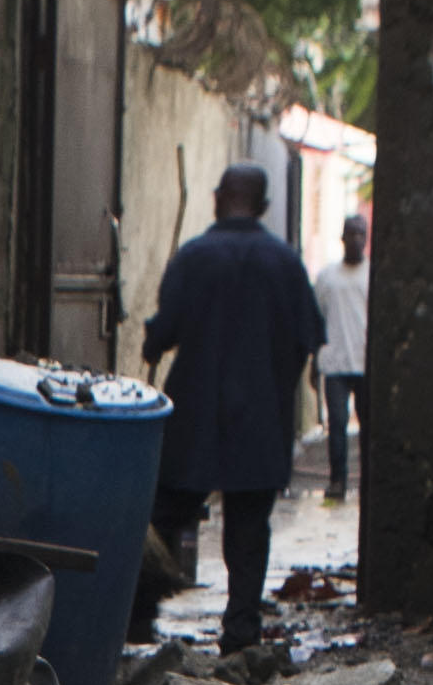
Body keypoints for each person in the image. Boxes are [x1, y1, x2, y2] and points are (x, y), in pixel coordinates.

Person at [143, 163, 325, 654]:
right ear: (263, 206)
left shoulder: (195, 257)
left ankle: (138, 619)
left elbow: (164, 332)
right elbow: (308, 339)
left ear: (219, 197)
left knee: (162, 516)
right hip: (260, 423)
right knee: (248, 531)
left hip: (195, 420)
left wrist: (152, 339)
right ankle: (241, 635)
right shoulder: (286, 264)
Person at [313, 210, 370, 502]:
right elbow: (316, 320)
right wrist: (314, 363)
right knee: (337, 425)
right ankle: (338, 481)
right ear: (342, 237)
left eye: (362, 233)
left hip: (364, 362)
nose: (356, 239)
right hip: (334, 362)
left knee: (369, 426)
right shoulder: (326, 278)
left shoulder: (373, 275)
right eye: (352, 233)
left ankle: (369, 482)